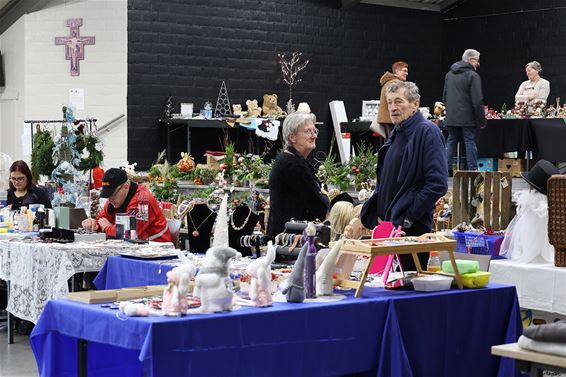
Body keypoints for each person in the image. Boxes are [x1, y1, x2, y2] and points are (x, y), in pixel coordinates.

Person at [361, 81, 448, 270]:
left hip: (410, 232)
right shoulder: (398, 132)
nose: (393, 108)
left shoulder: (427, 132)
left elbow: (438, 183)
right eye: (390, 102)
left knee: (407, 291)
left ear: (415, 104)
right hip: (390, 229)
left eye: (399, 102)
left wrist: (409, 216)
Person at [267, 112, 329, 237]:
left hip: (287, 236)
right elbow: (319, 207)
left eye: (314, 131)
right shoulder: (294, 166)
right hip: (290, 241)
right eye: (308, 132)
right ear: (292, 138)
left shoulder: (289, 160)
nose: (314, 136)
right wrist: (326, 197)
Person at [81, 168, 172, 242]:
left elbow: (130, 232)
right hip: (136, 248)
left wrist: (108, 228)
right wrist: (93, 224)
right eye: (108, 195)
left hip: (157, 250)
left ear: (126, 186)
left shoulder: (143, 200)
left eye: (113, 194)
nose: (110, 199)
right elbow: (101, 221)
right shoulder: (114, 200)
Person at [443, 49, 486, 172]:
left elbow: (444, 97)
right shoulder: (473, 75)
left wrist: (450, 112)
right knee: (469, 141)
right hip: (467, 117)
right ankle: (473, 170)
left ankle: (444, 170)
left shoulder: (449, 75)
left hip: (451, 117)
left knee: (451, 141)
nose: (478, 64)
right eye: (477, 61)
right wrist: (482, 120)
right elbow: (477, 100)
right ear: (471, 60)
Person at [372, 61, 409, 139]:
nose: (406, 73)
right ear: (397, 71)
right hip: (392, 119)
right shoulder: (395, 83)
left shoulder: (389, 82)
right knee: (395, 144)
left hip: (388, 119)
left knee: (391, 143)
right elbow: (399, 102)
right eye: (404, 71)